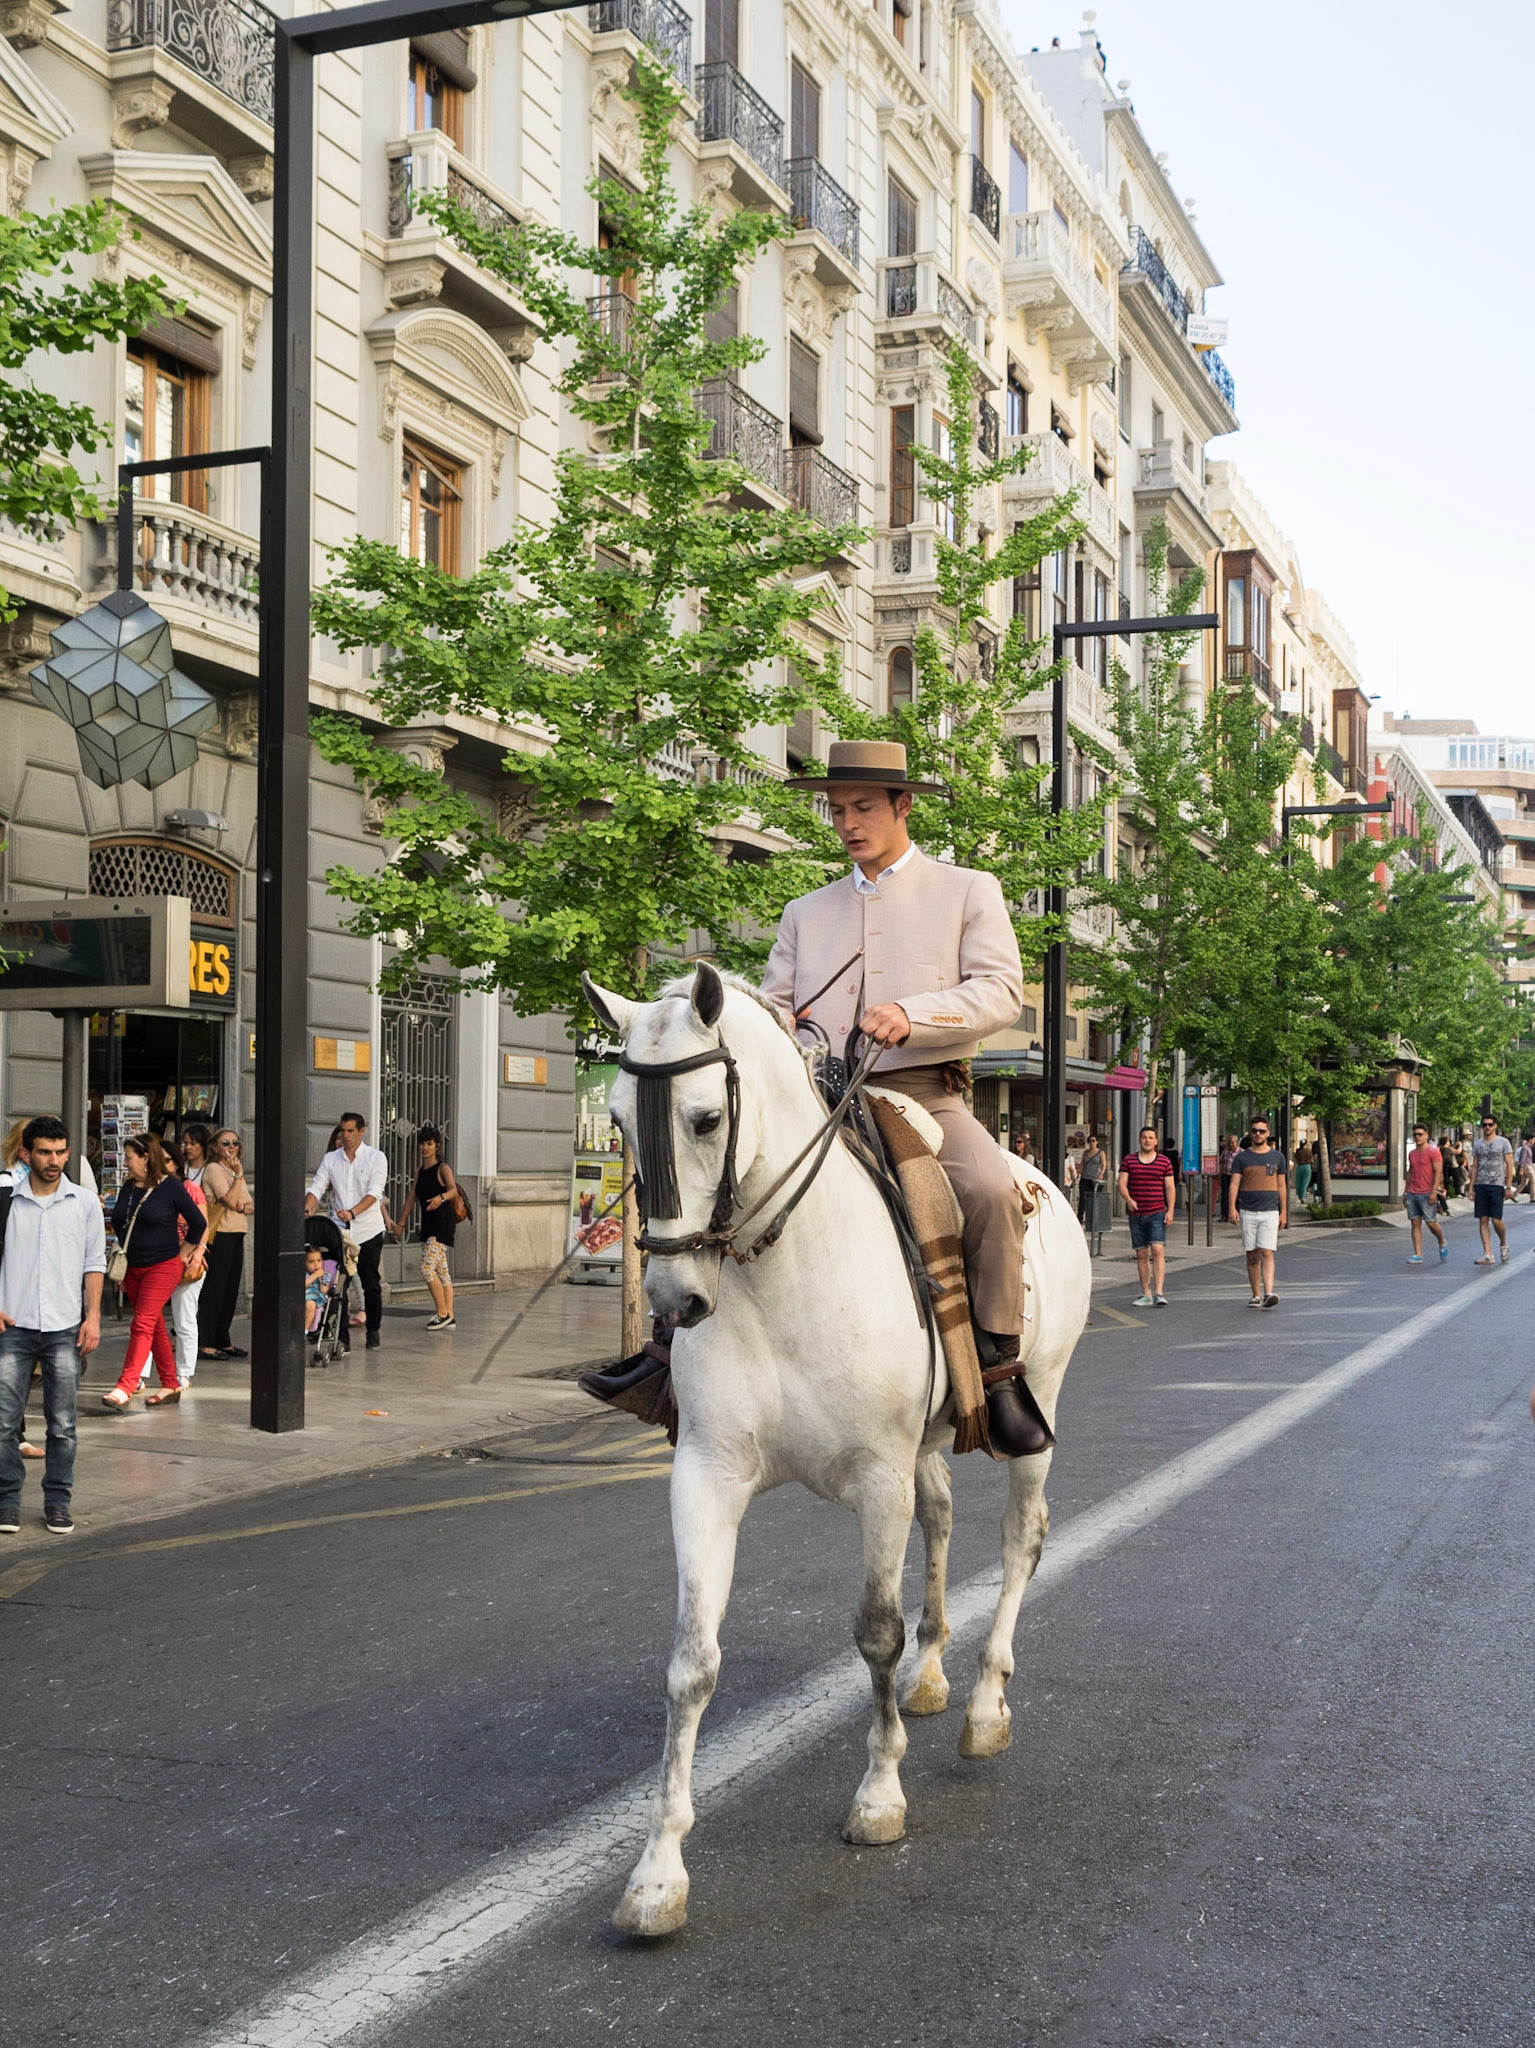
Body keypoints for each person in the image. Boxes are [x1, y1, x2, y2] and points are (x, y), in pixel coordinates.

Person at [584, 739, 1050, 1459]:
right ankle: (668, 1350)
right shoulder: (806, 910)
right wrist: (784, 1028)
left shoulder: (966, 888)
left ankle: (997, 1368)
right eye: (836, 810)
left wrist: (913, 1014)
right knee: (710, 1180)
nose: (847, 823)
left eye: (862, 807)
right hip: (814, 1093)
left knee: (989, 1189)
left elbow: (999, 991)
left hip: (917, 1091)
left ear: (902, 806)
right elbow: (771, 1004)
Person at [0, 1115, 106, 1535]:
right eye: (45, 1151)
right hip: (14, 1326)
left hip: (64, 1326)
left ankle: (58, 1502)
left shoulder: (83, 1203)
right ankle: (7, 1501)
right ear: (26, 1154)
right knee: (4, 1422)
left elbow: (94, 1264)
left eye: (61, 1151)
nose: (54, 1160)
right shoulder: (7, 1201)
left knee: (63, 1425)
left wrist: (94, 1316)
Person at [103, 1134, 206, 1409]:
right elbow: (121, 1223)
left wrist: (185, 1251)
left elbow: (198, 1222)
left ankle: (125, 1385)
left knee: (142, 1324)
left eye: (129, 1157)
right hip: (132, 1266)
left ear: (146, 1158)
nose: (125, 1162)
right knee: (155, 1325)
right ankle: (170, 1384)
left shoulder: (171, 1187)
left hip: (162, 1265)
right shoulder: (128, 1187)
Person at [306, 1112, 388, 1348]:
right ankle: (340, 1335)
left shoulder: (375, 1157)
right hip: (339, 1232)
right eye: (343, 1131)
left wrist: (353, 1212)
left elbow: (374, 1193)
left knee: (370, 1281)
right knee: (335, 1282)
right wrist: (308, 1208)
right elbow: (317, 1186)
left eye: (351, 1131)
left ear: (361, 1131)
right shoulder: (332, 1159)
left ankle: (373, 1330)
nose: (346, 1135)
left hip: (368, 1230)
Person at [198, 1128, 254, 1360]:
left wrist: (239, 1201)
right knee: (215, 1289)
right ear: (214, 1147)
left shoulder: (233, 1172)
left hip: (237, 1232)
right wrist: (239, 1179)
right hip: (219, 1234)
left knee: (230, 1290)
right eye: (226, 1143)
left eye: (235, 1143)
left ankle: (223, 1339)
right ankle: (206, 1341)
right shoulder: (214, 1169)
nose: (232, 1147)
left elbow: (249, 1206)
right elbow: (231, 1200)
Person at [1229, 1116, 1288, 1307]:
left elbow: (1281, 1186)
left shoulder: (1277, 1157)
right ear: (1250, 1132)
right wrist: (1232, 1207)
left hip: (1270, 1211)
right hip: (1248, 1210)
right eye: (1255, 1130)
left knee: (1267, 1251)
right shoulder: (1242, 1158)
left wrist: (1284, 1211)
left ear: (1268, 1133)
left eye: (1262, 1131)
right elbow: (1234, 1183)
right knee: (1252, 1254)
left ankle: (1269, 1293)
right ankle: (1255, 1294)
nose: (1258, 1134)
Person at [167, 1130, 210, 1387]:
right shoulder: (151, 1189)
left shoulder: (189, 1188)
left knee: (184, 1316)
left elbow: (202, 1224)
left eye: (166, 1159)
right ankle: (139, 1374)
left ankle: (184, 1372)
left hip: (187, 1260)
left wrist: (199, 1251)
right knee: (147, 1318)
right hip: (160, 1258)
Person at [410, 1124, 461, 1330]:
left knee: (426, 1268)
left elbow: (453, 1190)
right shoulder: (420, 1172)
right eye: (422, 1144)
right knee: (442, 1271)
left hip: (442, 1225)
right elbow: (411, 1197)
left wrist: (440, 1198)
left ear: (437, 1145)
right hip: (429, 1224)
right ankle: (450, 1315)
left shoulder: (443, 1168)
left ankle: (442, 1313)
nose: (425, 1148)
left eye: (429, 1144)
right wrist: (401, 1222)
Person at [1118, 1124, 1175, 1307]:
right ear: (1139, 1140)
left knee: (1158, 1250)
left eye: (1151, 1137)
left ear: (1156, 1141)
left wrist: (1171, 1210)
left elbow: (1169, 1187)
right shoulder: (1129, 1160)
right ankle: (1146, 1293)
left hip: (1157, 1212)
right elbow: (1122, 1184)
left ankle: (1159, 1292)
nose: (1147, 1140)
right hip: (1136, 1215)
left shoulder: (1164, 1162)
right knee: (1141, 1253)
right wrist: (1128, 1200)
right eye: (1144, 1137)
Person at [1471, 1113, 1514, 1265]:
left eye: (1490, 1124)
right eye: (1485, 1124)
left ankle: (1503, 1243)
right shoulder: (1477, 1144)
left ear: (1495, 1126)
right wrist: (1471, 1187)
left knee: (1496, 1220)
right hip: (1481, 1185)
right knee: (1483, 1219)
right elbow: (1475, 1166)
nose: (1487, 1127)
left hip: (1497, 1185)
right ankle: (1488, 1253)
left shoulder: (1504, 1142)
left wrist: (1508, 1186)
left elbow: (1509, 1164)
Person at [1403, 1122, 1448, 1266]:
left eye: (1420, 1134)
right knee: (1415, 1223)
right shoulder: (1412, 1154)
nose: (1417, 1137)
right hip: (1413, 1192)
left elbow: (1438, 1173)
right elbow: (1410, 1172)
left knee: (1431, 1223)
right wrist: (1405, 1191)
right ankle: (1418, 1254)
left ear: (1426, 1135)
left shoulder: (1433, 1152)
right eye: (1415, 1134)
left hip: (1427, 1192)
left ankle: (1441, 1241)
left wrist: (1434, 1192)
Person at [1076, 1131, 1104, 1229]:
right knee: (1083, 1199)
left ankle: (1092, 1219)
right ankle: (1079, 1218)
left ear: (1097, 1142)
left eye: (1093, 1141)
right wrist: (1078, 1173)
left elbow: (1104, 1165)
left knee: (1093, 1200)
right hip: (1085, 1178)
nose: (1091, 1143)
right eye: (1090, 1141)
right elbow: (1082, 1164)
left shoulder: (1101, 1153)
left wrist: (1101, 1174)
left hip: (1095, 1179)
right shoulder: (1085, 1153)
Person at [304, 1247, 331, 1337]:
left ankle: (305, 1330)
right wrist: (314, 1276)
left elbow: (324, 1291)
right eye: (311, 1262)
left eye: (319, 1261)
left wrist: (321, 1281)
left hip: (315, 1299)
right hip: (300, 1297)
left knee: (310, 1305)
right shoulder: (303, 1274)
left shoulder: (324, 1274)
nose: (316, 1264)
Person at [1218, 1132, 1239, 1225]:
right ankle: (1224, 1215)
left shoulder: (1241, 1152)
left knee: (1237, 1196)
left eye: (1233, 1142)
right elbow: (1221, 1163)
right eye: (1230, 1142)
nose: (1231, 1144)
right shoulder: (1225, 1152)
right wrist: (1220, 1174)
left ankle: (1236, 1213)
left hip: (1237, 1177)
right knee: (1225, 1195)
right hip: (1226, 1176)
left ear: (1237, 1143)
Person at [1293, 1138, 1314, 1207]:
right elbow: (1312, 1160)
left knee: (1299, 1182)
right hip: (1307, 1167)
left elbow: (1295, 1158)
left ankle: (1300, 1195)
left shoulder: (1298, 1151)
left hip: (1300, 1167)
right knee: (1305, 1182)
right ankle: (1303, 1197)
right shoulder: (1309, 1151)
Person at [1517, 1134, 1535, 1204]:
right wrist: (1521, 1168)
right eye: (1533, 1140)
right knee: (1533, 1180)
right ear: (1530, 1140)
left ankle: (1514, 1194)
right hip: (1526, 1166)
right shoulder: (1525, 1148)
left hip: (1528, 1165)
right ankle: (1533, 1197)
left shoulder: (1529, 1147)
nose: (1534, 1141)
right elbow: (1522, 1158)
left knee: (1523, 1183)